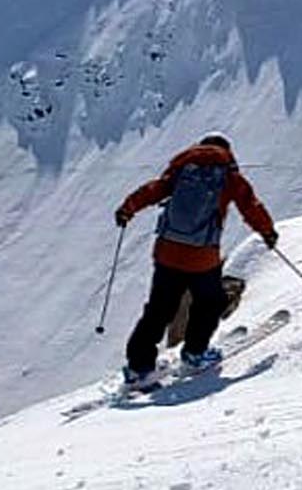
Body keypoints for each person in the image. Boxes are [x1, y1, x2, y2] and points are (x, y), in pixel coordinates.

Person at [116, 134, 277, 390]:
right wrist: (267, 232)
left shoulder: (182, 169)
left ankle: (138, 368)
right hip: (202, 257)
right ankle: (194, 354)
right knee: (210, 303)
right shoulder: (228, 174)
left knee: (159, 310)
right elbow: (250, 205)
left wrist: (127, 209)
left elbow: (152, 190)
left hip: (167, 252)